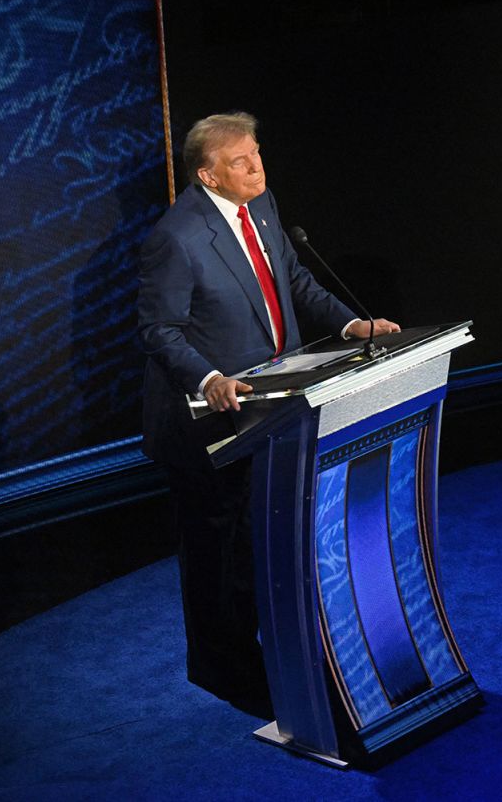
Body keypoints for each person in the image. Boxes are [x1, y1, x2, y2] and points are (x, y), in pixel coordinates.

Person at [137, 112, 399, 715]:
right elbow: (159, 329)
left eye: (257, 154)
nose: (257, 167)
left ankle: (254, 651)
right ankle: (218, 666)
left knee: (255, 540)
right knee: (215, 546)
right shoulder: (176, 238)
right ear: (208, 174)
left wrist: (350, 323)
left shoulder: (263, 204)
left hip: (270, 408)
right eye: (240, 162)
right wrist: (209, 378)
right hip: (204, 421)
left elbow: (294, 280)